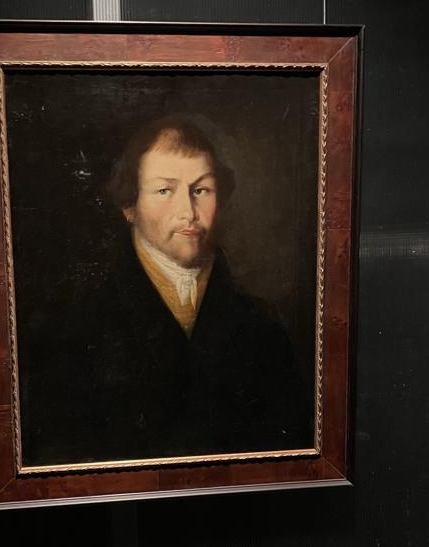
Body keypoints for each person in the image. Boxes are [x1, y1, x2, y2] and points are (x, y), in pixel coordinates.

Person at [20, 117, 313, 467]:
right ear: (130, 205)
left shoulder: (264, 327)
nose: (188, 213)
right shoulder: (71, 326)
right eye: (164, 191)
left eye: (201, 190)